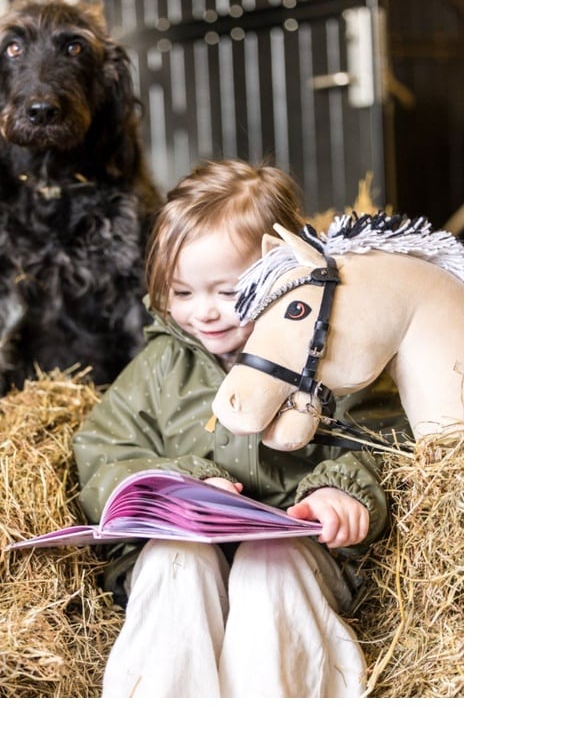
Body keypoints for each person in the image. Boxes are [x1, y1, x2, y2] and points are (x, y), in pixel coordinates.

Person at [72, 158, 408, 698]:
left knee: (267, 563)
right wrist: (183, 483)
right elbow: (102, 451)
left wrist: (340, 490)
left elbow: (384, 433)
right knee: (175, 564)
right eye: (181, 294)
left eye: (229, 292)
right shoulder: (161, 368)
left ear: (285, 272)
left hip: (297, 549)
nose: (203, 313)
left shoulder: (330, 356)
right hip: (183, 546)